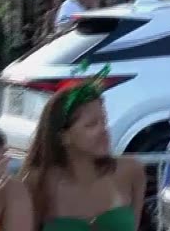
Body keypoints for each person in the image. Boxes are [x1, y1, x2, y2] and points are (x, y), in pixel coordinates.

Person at [21, 65, 143, 231]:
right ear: (63, 137)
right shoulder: (37, 182)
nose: (104, 130)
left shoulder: (130, 171)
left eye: (104, 121)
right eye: (91, 125)